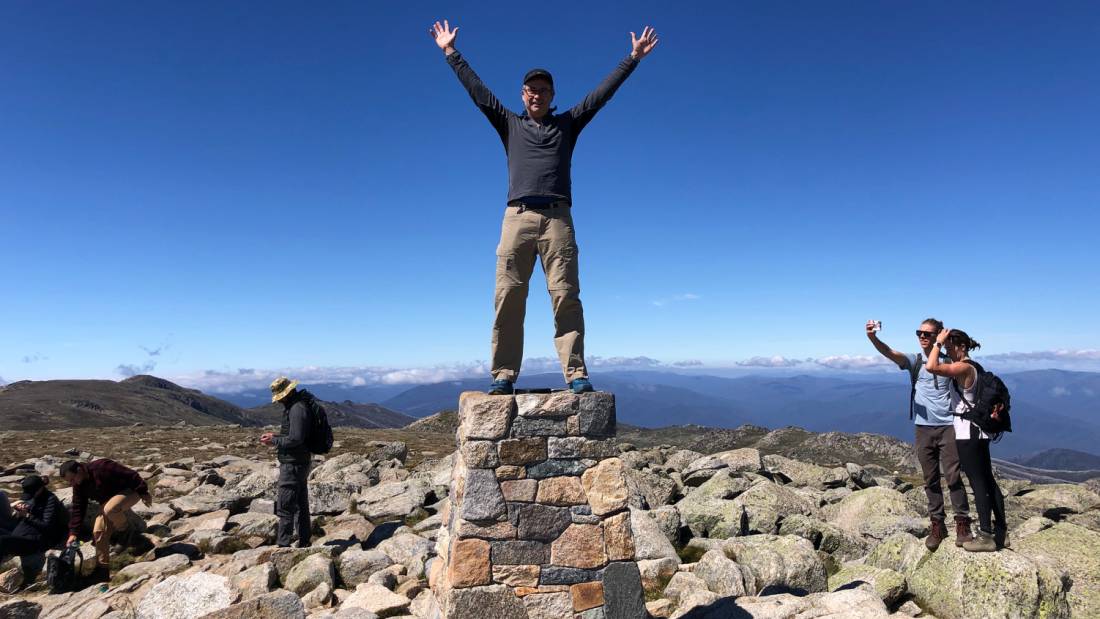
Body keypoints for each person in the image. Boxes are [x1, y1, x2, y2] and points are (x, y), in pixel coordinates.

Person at [429, 19, 660, 395]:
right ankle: (503, 373)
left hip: (557, 218)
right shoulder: (509, 124)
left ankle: (575, 373)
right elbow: (478, 92)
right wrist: (450, 52)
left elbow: (600, 95)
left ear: (552, 95)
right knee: (508, 295)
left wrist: (632, 59)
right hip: (516, 217)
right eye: (531, 90)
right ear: (522, 95)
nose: (537, 95)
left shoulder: (567, 124)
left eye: (543, 90)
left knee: (565, 294)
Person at [867, 318, 973, 550]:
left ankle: (963, 524)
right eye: (919, 333)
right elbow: (889, 352)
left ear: (938, 336)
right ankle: (937, 524)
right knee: (930, 478)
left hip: (948, 426)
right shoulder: (914, 361)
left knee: (953, 476)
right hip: (923, 427)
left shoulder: (947, 361)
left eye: (928, 333)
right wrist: (873, 338)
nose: (922, 337)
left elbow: (968, 372)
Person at [927, 328, 1007, 552]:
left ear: (962, 347)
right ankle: (1001, 531)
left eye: (950, 347)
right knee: (988, 480)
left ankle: (985, 536)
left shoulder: (964, 367)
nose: (947, 351)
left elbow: (931, 366)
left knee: (978, 483)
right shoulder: (976, 367)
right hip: (978, 431)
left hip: (968, 432)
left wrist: (937, 344)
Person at [60, 458, 152, 579]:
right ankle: (102, 570)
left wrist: (143, 491)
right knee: (98, 531)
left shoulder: (102, 467)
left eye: (72, 479)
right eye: (69, 482)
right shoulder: (79, 485)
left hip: (131, 492)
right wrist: (73, 533)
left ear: (79, 470)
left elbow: (132, 475)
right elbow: (78, 508)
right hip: (108, 502)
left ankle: (126, 531)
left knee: (110, 508)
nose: (72, 483)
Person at [261, 376, 313, 548]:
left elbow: (296, 439)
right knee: (300, 504)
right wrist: (275, 436)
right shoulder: (296, 405)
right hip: (298, 462)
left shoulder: (296, 409)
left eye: (280, 397)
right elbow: (294, 435)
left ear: (287, 393)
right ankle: (304, 542)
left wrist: (274, 441)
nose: (279, 401)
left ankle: (283, 545)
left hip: (293, 464)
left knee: (285, 505)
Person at [0, 476, 68, 586]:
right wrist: (21, 510)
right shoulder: (33, 496)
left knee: (2, 541)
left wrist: (27, 515)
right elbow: (26, 516)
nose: (29, 497)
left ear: (40, 489)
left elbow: (46, 526)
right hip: (21, 534)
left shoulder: (50, 500)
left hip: (36, 542)